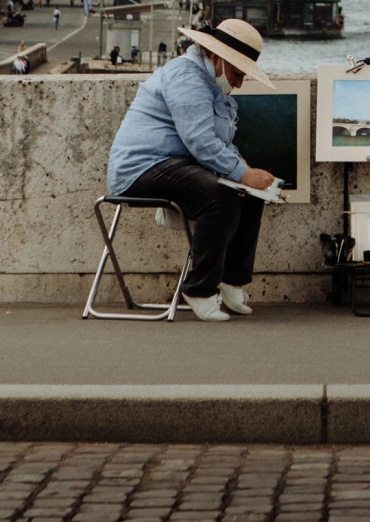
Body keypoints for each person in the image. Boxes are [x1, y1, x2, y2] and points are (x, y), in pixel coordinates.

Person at [106, 18, 276, 322]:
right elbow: (199, 141)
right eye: (238, 74)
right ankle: (199, 289)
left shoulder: (208, 80)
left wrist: (243, 170)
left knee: (250, 195)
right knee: (219, 198)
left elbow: (215, 141)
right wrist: (242, 172)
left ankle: (231, 281)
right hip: (141, 168)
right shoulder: (186, 76)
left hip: (174, 164)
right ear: (217, 57)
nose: (239, 84)